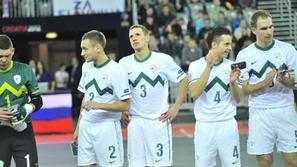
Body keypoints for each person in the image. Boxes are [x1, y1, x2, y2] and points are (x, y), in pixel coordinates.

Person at [119, 24, 188, 167]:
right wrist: (122, 110)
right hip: (135, 122)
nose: (134, 38)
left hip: (158, 121)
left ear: (147, 37)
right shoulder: (124, 63)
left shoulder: (162, 59)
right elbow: (120, 89)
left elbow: (184, 79)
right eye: (131, 36)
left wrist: (176, 107)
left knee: (162, 164)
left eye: (138, 35)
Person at [236, 10, 297, 167]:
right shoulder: (244, 55)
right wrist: (264, 82)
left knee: (293, 161)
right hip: (259, 111)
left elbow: (295, 82)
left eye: (271, 27)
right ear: (254, 30)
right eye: (264, 28)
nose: (269, 31)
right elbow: (244, 90)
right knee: (264, 162)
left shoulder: (288, 50)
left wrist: (285, 80)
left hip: (285, 109)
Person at [73, 30, 131, 167]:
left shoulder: (116, 70)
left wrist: (98, 105)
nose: (82, 53)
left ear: (98, 48)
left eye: (85, 49)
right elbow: (86, 98)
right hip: (86, 126)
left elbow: (126, 105)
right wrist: (79, 126)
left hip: (107, 127)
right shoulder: (86, 66)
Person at [188, 27, 243, 167]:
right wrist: (208, 68)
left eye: (230, 44)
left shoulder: (232, 66)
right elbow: (194, 94)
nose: (230, 48)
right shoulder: (196, 66)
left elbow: (238, 99)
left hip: (227, 125)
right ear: (213, 44)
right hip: (205, 127)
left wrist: (233, 82)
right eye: (226, 44)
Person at [0, 34, 43, 167]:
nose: (4, 60)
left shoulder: (25, 70)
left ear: (13, 51)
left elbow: (37, 100)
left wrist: (26, 109)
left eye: (7, 55)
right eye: (0, 56)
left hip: (23, 132)